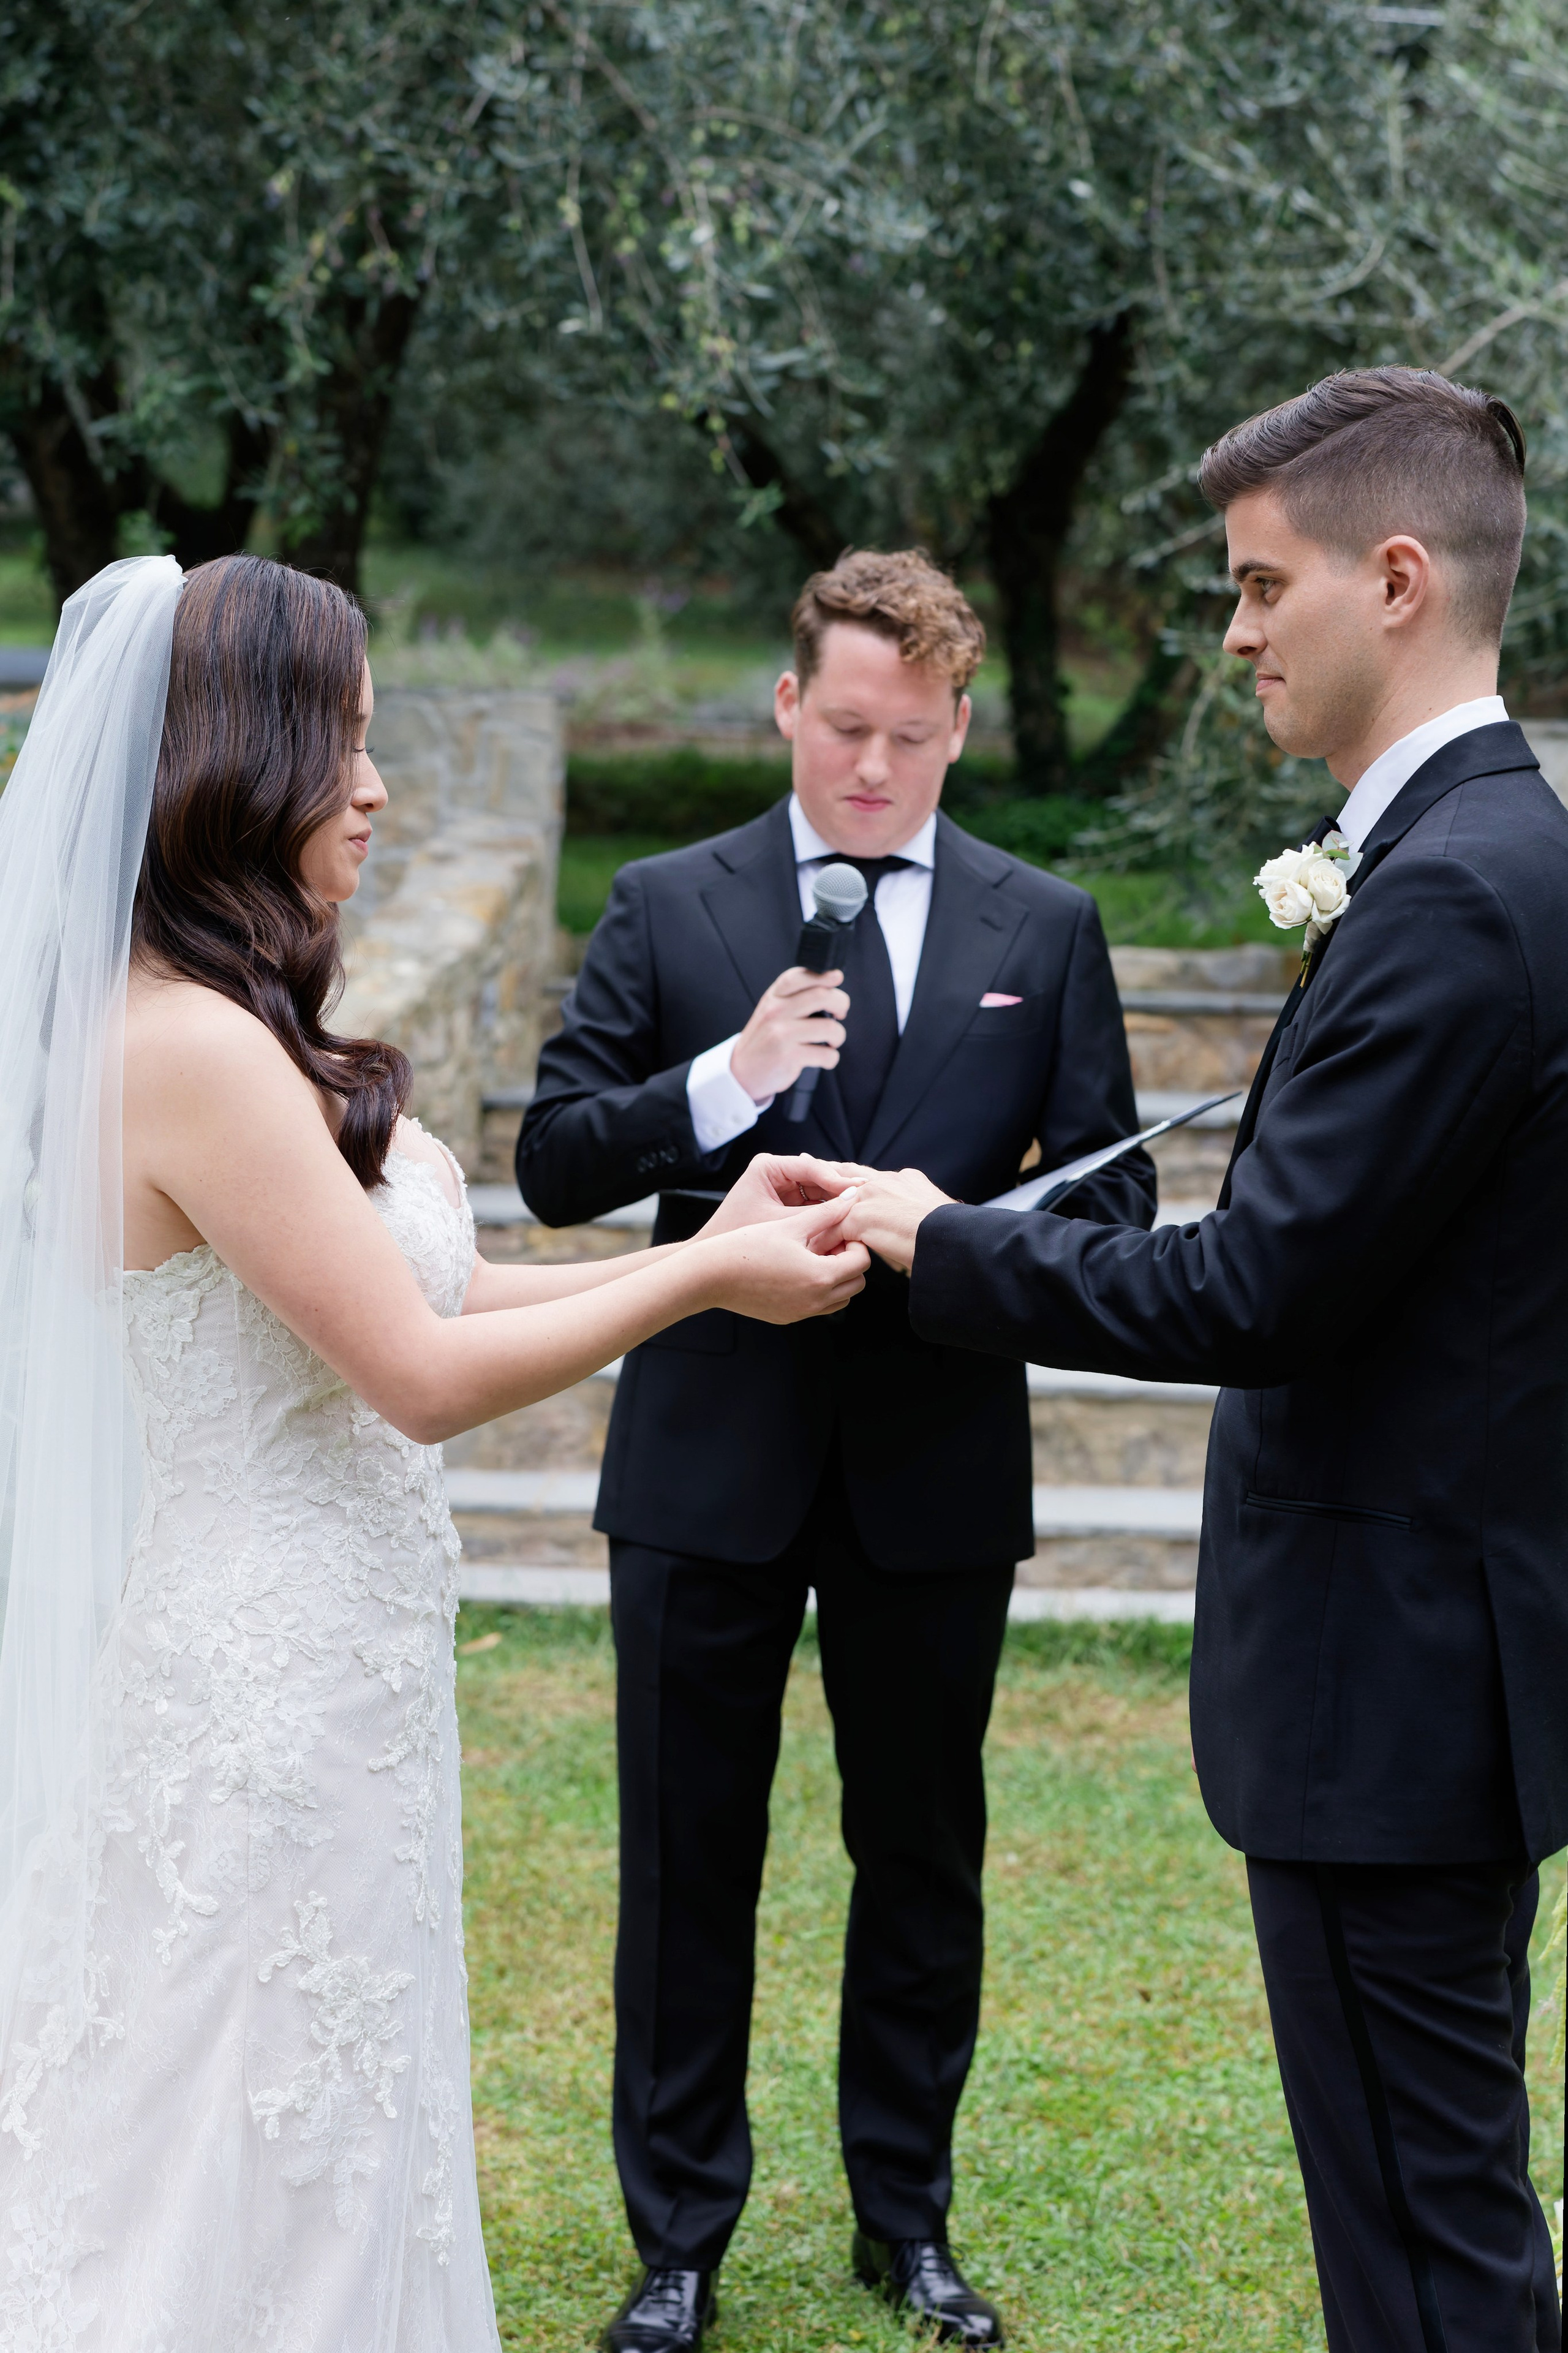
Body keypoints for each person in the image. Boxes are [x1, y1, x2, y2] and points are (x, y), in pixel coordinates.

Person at [0, 553, 867, 2353]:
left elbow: (435, 1291)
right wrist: (704, 1272)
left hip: (336, 1669)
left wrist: (690, 1244)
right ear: (238, 757)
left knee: (329, 2118)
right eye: (348, 745)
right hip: (264, 1685)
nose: (379, 789)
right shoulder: (186, 1048)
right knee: (235, 2140)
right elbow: (415, 1373)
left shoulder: (228, 1028)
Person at [839, 371, 1566, 2352]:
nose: (1234, 634)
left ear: (1395, 579)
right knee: (1426, 2214)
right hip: (1424, 1683)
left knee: (1427, 2247)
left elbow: (1261, 1287)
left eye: (1260, 586)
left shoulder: (1463, 898)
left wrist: (940, 1241)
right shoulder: (1474, 860)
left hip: (1394, 1701)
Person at [517, 549, 1155, 2351]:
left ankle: (910, 2222)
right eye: (845, 727)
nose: (874, 768)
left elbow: (1124, 1183)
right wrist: (720, 1086)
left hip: (935, 1461)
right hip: (707, 1454)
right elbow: (562, 1158)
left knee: (922, 1850)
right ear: (789, 704)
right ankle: (678, 2242)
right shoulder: (665, 900)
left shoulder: (1048, 926)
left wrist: (958, 1221)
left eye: (912, 736)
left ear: (962, 724)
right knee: (685, 1857)